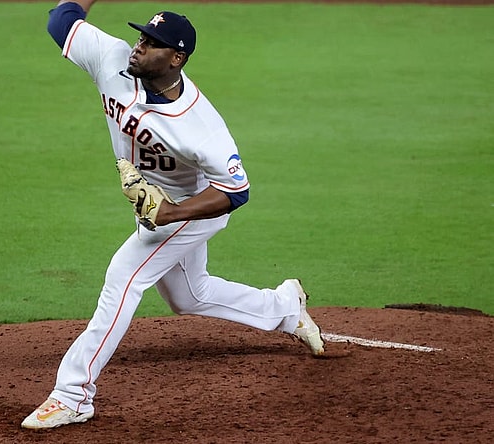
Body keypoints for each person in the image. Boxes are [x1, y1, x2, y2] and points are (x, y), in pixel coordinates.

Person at [21, 0, 325, 430]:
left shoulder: (201, 127)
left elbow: (236, 192)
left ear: (176, 58)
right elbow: (62, 19)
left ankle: (72, 395)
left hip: (192, 206)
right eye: (142, 37)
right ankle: (284, 307)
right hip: (158, 206)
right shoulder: (113, 60)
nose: (139, 47)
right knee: (188, 296)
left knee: (124, 276)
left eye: (153, 44)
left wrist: (172, 213)